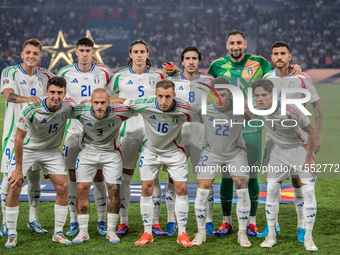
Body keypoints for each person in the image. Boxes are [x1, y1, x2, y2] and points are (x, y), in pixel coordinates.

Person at [207, 30, 301, 237]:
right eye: (232, 43)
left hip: (253, 126)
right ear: (227, 45)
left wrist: (292, 68)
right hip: (228, 126)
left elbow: (277, 73)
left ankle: (250, 221)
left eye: (239, 42)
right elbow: (207, 87)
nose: (235, 46)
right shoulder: (216, 66)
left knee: (251, 175)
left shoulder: (260, 63)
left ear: (245, 44)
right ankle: (226, 221)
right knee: (226, 175)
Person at [118, 79, 199, 246]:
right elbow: (122, 101)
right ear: (155, 95)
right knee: (146, 187)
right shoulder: (145, 103)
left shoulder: (185, 108)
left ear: (174, 96)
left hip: (174, 152)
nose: (163, 101)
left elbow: (204, 116)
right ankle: (147, 232)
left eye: (168, 97)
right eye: (160, 96)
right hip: (151, 151)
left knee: (181, 188)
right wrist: (94, 101)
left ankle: (182, 232)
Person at [258, 41, 323, 241]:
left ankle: (301, 226)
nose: (279, 57)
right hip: (274, 139)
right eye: (275, 54)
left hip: (299, 139)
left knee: (298, 182)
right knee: (272, 182)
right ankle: (272, 226)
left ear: (290, 56)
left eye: (282, 53)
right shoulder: (267, 78)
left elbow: (317, 106)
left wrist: (318, 135)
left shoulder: (302, 78)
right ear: (271, 58)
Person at [246, 79, 318, 252]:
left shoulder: (291, 109)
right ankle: (271, 235)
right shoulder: (255, 107)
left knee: (308, 190)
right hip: (278, 151)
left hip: (300, 149)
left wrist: (309, 159)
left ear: (273, 95)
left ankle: (308, 237)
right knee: (271, 189)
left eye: (264, 95)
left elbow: (312, 132)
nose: (260, 99)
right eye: (257, 96)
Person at [4, 76, 75, 248]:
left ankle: (58, 232)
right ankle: (12, 234)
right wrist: (18, 169)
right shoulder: (31, 108)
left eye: (59, 93)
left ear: (65, 93)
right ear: (46, 92)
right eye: (52, 92)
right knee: (15, 185)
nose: (56, 96)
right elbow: (19, 139)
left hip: (50, 151)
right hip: (28, 149)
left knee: (63, 187)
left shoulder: (68, 107)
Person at [107, 40, 166, 237]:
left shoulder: (158, 75)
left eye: (142, 51)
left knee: (153, 177)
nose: (139, 55)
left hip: (152, 132)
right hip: (128, 132)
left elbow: (168, 95)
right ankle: (124, 222)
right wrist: (123, 101)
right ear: (130, 54)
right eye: (135, 52)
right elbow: (102, 98)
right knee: (125, 177)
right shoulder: (120, 76)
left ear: (148, 54)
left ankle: (155, 222)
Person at [57, 37, 113, 236]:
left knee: (99, 175)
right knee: (73, 175)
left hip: (96, 131)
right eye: (81, 50)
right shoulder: (64, 72)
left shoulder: (104, 71)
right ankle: (74, 221)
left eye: (88, 50)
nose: (84, 53)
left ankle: (101, 220)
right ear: (76, 52)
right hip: (73, 130)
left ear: (93, 52)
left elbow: (111, 97)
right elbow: (59, 97)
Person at [0, 39, 54, 236]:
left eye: (35, 54)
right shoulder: (10, 72)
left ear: (40, 57)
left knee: (34, 176)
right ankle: (5, 221)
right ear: (21, 54)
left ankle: (33, 218)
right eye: (28, 52)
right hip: (14, 134)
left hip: (37, 136)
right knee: (9, 176)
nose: (31, 56)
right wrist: (27, 99)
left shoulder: (47, 76)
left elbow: (59, 94)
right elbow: (8, 95)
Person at [70, 88, 138, 244]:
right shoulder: (81, 111)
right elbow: (62, 111)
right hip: (87, 152)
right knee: (82, 189)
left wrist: (123, 101)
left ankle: (111, 231)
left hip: (111, 153)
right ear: (90, 102)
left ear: (109, 102)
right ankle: (83, 232)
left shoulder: (120, 111)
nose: (99, 106)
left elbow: (140, 106)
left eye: (103, 102)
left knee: (114, 190)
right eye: (95, 103)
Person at [192, 77, 251, 247]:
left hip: (236, 152)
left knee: (242, 191)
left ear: (230, 95)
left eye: (223, 95)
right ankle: (201, 232)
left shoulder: (242, 108)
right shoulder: (202, 109)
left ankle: (242, 233)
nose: (219, 99)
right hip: (211, 152)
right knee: (202, 191)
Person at [165, 46, 215, 236]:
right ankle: (171, 220)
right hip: (178, 135)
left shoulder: (209, 81)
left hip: (203, 135)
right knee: (173, 178)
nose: (191, 61)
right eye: (187, 58)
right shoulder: (172, 81)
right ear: (182, 62)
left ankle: (208, 221)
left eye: (194, 58)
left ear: (199, 61)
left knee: (206, 180)